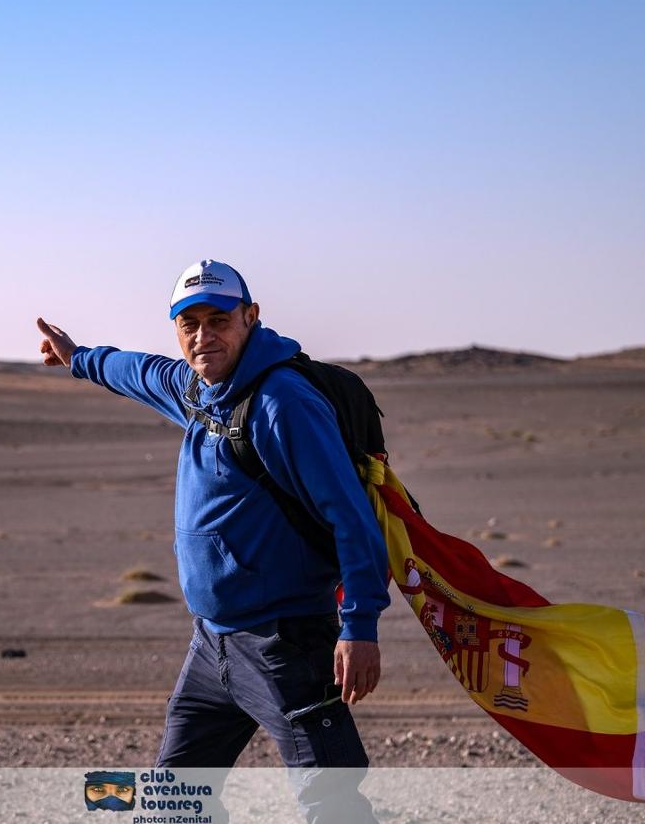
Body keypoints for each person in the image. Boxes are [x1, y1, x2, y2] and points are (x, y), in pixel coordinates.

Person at [36, 260, 389, 822]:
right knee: (175, 800)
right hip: (212, 646)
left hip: (286, 644)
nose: (204, 336)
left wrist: (361, 625)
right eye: (189, 323)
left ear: (249, 318)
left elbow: (351, 518)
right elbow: (138, 371)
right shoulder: (197, 387)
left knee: (333, 806)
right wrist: (79, 358)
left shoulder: (282, 405)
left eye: (218, 320)